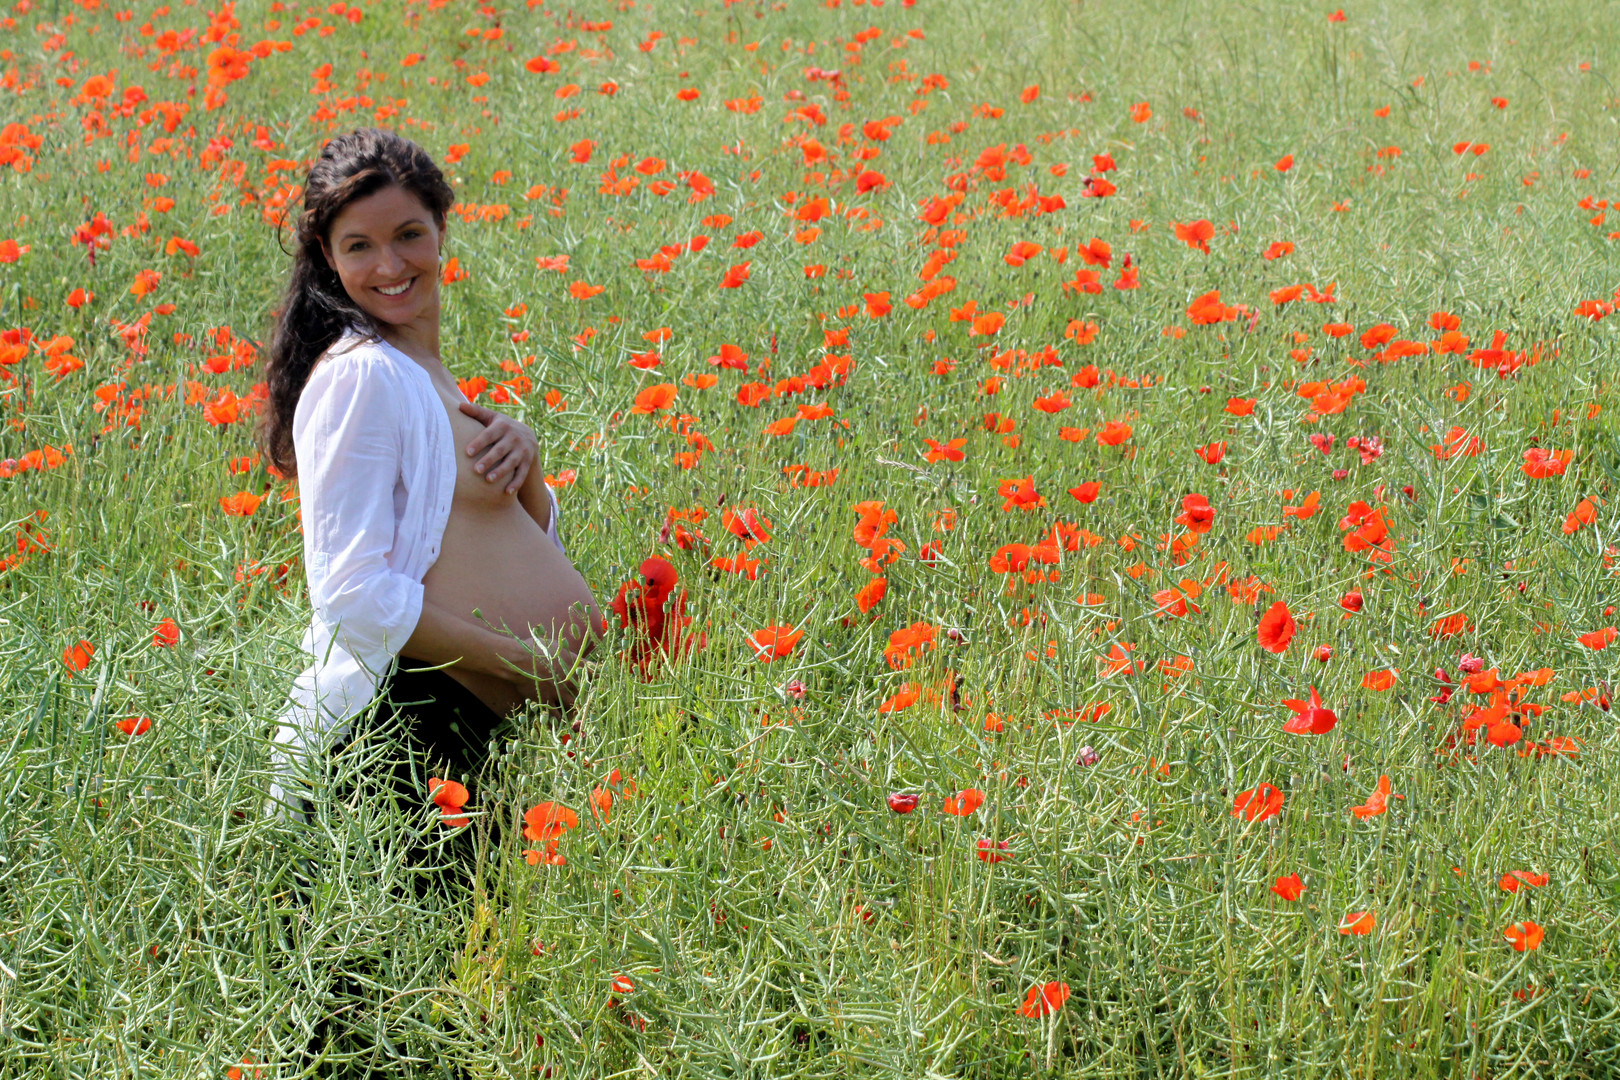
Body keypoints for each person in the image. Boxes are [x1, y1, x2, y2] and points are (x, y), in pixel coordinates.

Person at [254, 128, 603, 1071]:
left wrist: (526, 473)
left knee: (420, 1008)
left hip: (454, 735)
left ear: (444, 230)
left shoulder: (421, 375)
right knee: (373, 1025)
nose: (390, 264)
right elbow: (356, 596)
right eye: (358, 246)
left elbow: (482, 544)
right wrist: (530, 665)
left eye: (408, 234)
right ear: (326, 260)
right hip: (396, 738)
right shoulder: (362, 376)